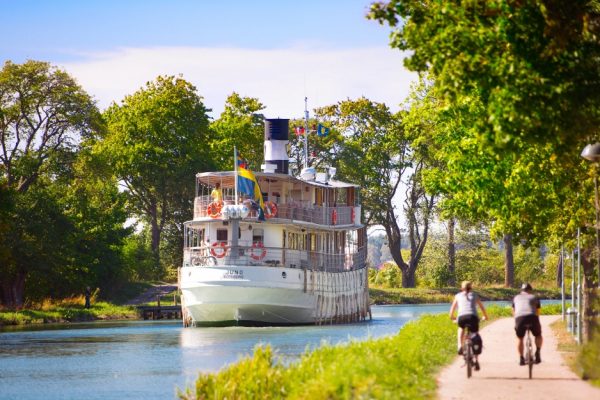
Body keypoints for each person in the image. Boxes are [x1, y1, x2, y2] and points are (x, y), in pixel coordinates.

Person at [449, 281, 489, 370]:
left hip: (462, 317)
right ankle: (476, 361)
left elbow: (452, 310)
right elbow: (482, 308)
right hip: (473, 317)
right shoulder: (474, 295)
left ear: (461, 288)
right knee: (475, 336)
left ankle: (460, 345)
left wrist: (453, 318)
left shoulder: (458, 296)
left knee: (461, 328)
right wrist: (485, 317)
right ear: (471, 288)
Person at [513, 283, 543, 365]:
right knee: (538, 335)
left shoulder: (516, 297)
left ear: (521, 291)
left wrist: (517, 323)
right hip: (532, 317)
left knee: (520, 338)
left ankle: (521, 359)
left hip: (520, 318)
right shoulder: (534, 297)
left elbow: (514, 312)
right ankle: (538, 352)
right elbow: (538, 312)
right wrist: (537, 324)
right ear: (530, 290)